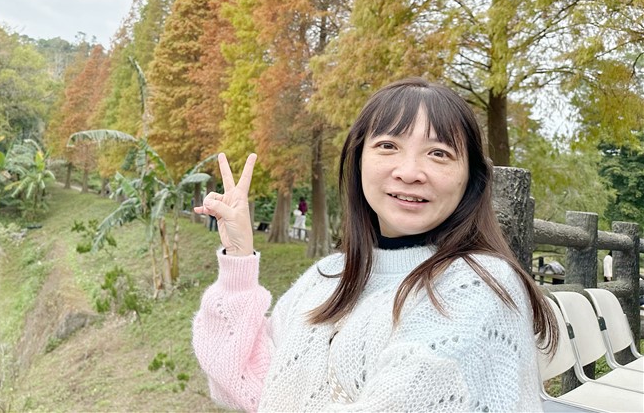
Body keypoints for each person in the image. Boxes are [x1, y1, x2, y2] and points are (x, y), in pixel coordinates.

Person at [192, 78, 558, 412]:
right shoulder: (329, 277)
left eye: (439, 153)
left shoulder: (476, 286)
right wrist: (238, 261)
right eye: (388, 146)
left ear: (470, 179)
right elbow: (243, 382)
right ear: (359, 161)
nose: (410, 171)